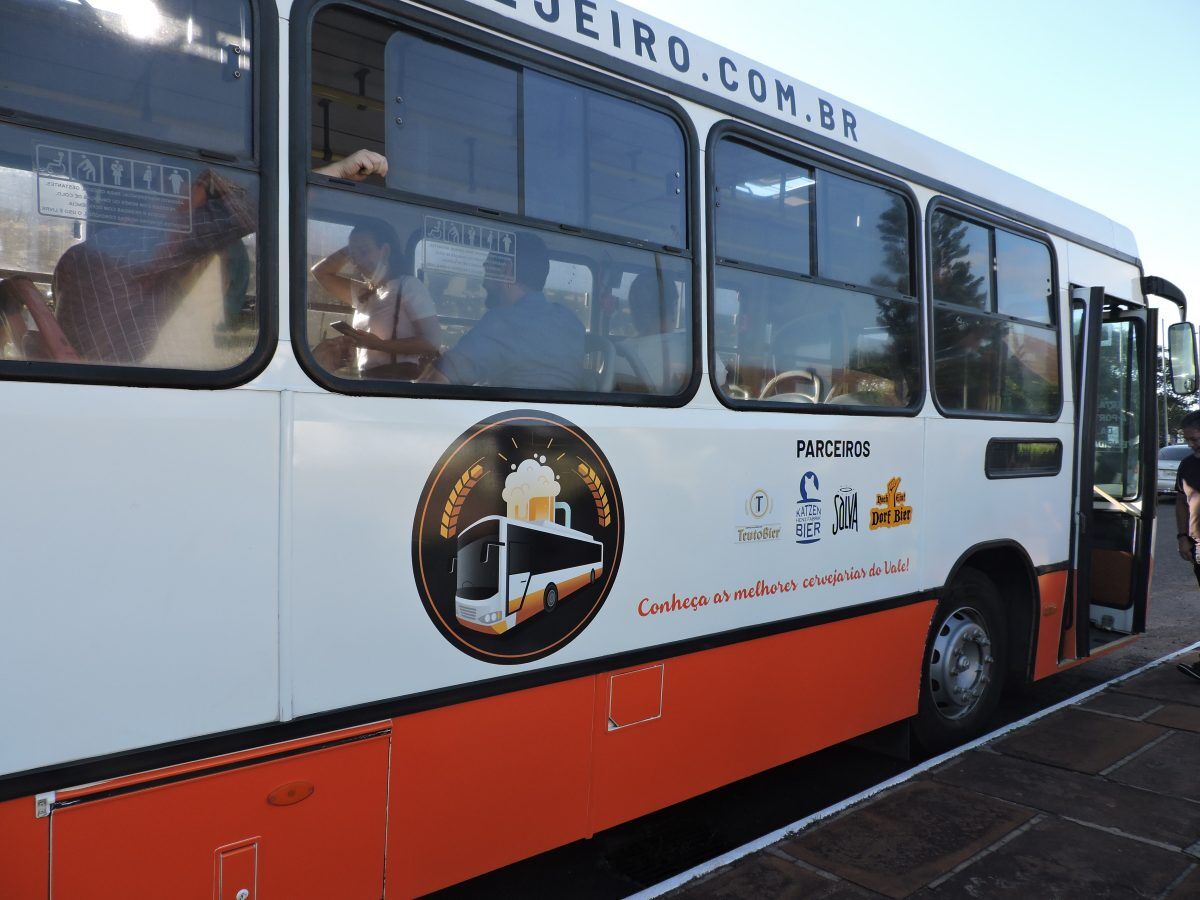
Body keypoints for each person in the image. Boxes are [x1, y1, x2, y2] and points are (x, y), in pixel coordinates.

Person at [421, 232, 585, 390]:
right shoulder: (571, 321)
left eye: (490, 263)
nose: (484, 267)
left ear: (507, 270)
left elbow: (436, 383)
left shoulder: (505, 321)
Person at [310, 218, 440, 378]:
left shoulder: (408, 285)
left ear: (385, 251)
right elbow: (320, 272)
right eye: (354, 255)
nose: (357, 261)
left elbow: (431, 342)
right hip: (368, 378)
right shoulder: (364, 292)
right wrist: (350, 248)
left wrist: (378, 345)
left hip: (398, 379)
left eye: (364, 252)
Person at [1174, 410, 1200, 682]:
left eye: (1195, 438)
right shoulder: (1187, 465)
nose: (1192, 444)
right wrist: (1182, 536)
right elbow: (1181, 502)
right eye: (1188, 440)